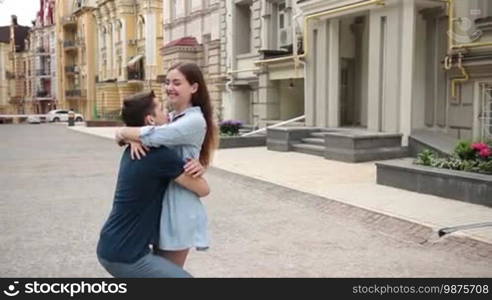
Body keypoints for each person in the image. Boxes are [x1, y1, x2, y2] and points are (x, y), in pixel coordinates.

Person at [115, 62, 218, 268]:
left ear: (194, 88)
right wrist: (131, 137)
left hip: (179, 205)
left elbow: (155, 135)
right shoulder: (170, 118)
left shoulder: (194, 120)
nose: (170, 87)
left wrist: (127, 133)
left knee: (168, 275)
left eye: (177, 83)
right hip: (162, 201)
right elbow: (147, 132)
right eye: (168, 82)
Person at [97, 91, 210, 278]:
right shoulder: (159, 156)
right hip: (126, 256)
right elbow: (203, 189)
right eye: (161, 109)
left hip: (113, 246)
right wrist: (198, 169)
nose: (167, 113)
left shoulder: (134, 148)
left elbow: (130, 136)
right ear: (150, 120)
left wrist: (128, 136)